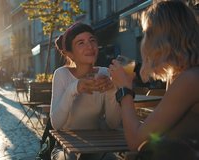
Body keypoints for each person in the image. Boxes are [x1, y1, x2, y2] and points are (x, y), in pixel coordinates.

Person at [108, 1, 199, 159]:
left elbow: (136, 142)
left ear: (159, 39)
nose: (144, 41)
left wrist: (124, 90)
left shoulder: (190, 79)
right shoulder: (180, 75)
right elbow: (157, 132)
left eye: (146, 33)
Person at [50, 22, 121, 160]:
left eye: (92, 40)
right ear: (70, 54)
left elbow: (113, 124)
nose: (89, 46)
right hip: (65, 145)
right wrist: (75, 88)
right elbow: (56, 124)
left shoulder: (105, 73)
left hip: (96, 144)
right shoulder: (61, 74)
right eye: (81, 43)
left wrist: (112, 90)